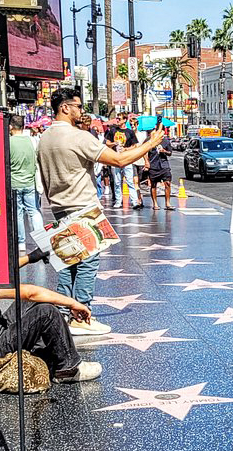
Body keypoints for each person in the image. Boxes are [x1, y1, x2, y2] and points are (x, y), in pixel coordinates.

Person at [37, 88, 164, 336]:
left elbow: (114, 155)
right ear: (65, 107)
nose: (81, 111)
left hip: (58, 207)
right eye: (78, 106)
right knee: (87, 262)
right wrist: (150, 144)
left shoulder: (45, 138)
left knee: (67, 263)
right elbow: (118, 162)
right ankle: (82, 315)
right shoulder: (77, 137)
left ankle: (63, 315)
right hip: (82, 207)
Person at [0, 248, 102, 383]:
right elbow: (30, 293)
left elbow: (1, 272)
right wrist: (72, 303)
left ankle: (48, 353)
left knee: (30, 304)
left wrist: (31, 258)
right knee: (46, 312)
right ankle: (68, 368)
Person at [8, 115, 42, 250]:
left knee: (18, 213)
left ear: (11, 127)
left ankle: (21, 242)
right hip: (30, 182)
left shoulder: (8, 142)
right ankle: (40, 240)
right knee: (34, 211)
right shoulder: (33, 141)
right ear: (23, 127)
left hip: (14, 183)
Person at [104, 112, 143, 209]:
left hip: (127, 158)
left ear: (124, 120)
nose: (117, 120)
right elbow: (107, 143)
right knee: (117, 181)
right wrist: (114, 143)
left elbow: (135, 145)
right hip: (115, 158)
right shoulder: (113, 130)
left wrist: (126, 149)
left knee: (130, 181)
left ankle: (134, 201)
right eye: (117, 118)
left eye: (119, 119)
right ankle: (118, 201)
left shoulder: (129, 132)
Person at [148, 129, 175, 210]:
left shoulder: (165, 141)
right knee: (153, 185)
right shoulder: (149, 141)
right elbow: (145, 153)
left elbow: (170, 153)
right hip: (153, 165)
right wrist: (146, 162)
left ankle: (167, 203)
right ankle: (155, 203)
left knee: (168, 183)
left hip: (164, 165)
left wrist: (164, 151)